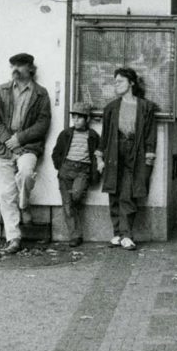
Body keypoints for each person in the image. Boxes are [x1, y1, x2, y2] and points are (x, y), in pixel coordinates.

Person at [0, 53, 51, 255]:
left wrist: (20, 139)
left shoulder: (41, 94)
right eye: (13, 66)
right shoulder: (1, 91)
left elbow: (43, 124)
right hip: (4, 148)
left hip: (28, 147)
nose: (15, 69)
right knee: (6, 194)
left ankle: (24, 205)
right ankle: (13, 238)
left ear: (31, 69)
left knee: (26, 173)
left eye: (20, 65)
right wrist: (9, 141)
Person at [95, 67, 157, 251]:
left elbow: (150, 135)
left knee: (128, 193)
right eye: (115, 82)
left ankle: (127, 235)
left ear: (131, 83)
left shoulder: (145, 107)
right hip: (114, 151)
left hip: (135, 152)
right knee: (113, 192)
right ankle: (117, 233)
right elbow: (105, 136)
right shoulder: (111, 108)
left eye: (120, 81)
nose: (116, 85)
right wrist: (100, 158)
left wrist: (148, 158)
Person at [51, 102, 100, 247]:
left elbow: (98, 154)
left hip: (82, 170)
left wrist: (95, 171)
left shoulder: (92, 136)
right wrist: (60, 167)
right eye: (74, 117)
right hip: (66, 169)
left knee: (76, 195)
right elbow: (56, 153)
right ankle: (75, 236)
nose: (76, 120)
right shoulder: (66, 134)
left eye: (80, 118)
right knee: (67, 205)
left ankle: (74, 207)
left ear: (87, 119)